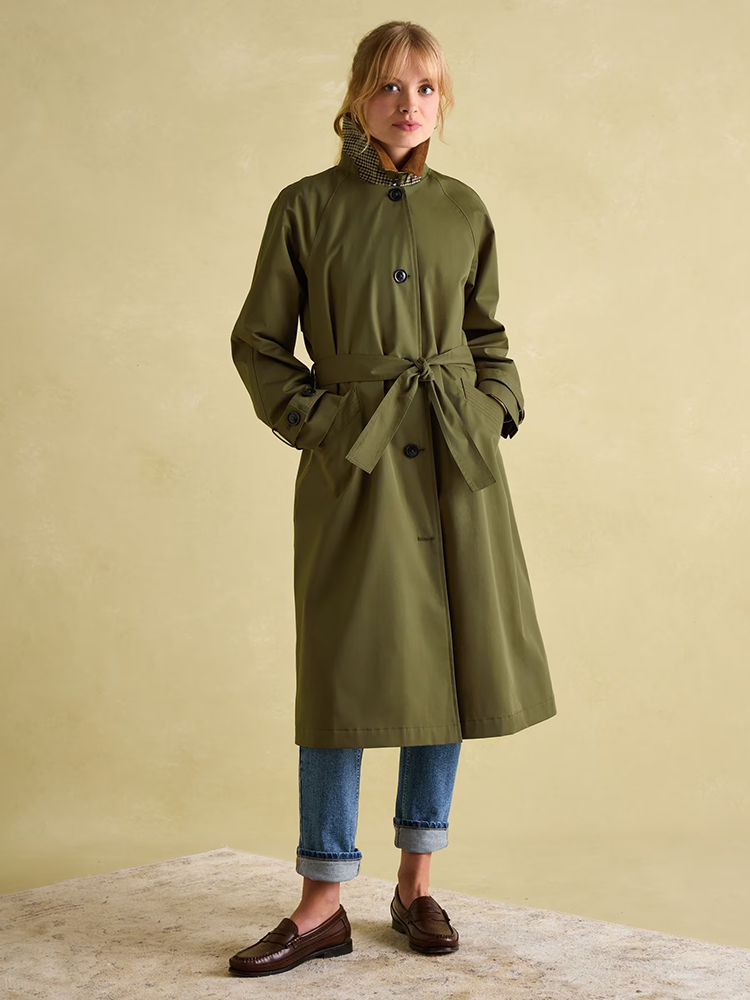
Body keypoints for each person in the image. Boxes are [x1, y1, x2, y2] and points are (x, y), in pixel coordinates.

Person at [227, 20, 557, 977]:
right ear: (355, 97)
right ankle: (322, 899)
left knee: (442, 670)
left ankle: (417, 882)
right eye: (387, 86)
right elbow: (259, 344)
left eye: (425, 88)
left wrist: (494, 408)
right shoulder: (305, 207)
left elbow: (488, 336)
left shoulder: (464, 209)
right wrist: (322, 425)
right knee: (343, 674)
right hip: (359, 465)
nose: (407, 104)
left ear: (442, 102)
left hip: (455, 461)